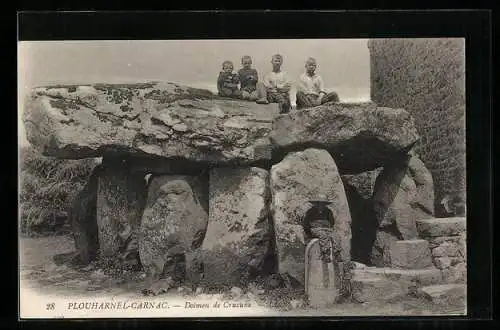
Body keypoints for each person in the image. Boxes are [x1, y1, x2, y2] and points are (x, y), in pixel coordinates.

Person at [302, 194, 340, 263]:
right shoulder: (310, 211)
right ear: (316, 203)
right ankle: (326, 253)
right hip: (315, 229)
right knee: (323, 235)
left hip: (326, 228)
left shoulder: (328, 211)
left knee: (335, 235)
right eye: (319, 203)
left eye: (323, 203)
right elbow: (306, 223)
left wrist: (327, 227)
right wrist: (310, 233)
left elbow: (332, 222)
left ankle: (337, 253)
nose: (321, 205)